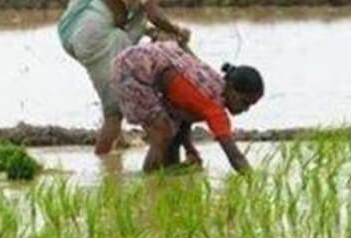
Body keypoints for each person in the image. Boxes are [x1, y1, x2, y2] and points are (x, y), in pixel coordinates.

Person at [57, 0, 192, 155]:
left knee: (116, 89)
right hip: (97, 34)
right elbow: (153, 12)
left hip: (87, 28)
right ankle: (103, 163)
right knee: (115, 109)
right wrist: (177, 31)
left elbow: (120, 11)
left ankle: (116, 146)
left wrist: (153, 31)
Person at [111, 41, 264, 173]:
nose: (245, 109)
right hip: (133, 69)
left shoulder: (214, 84)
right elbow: (234, 156)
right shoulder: (214, 107)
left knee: (171, 132)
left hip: (140, 59)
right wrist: (253, 182)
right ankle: (151, 181)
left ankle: (166, 176)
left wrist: (189, 147)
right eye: (244, 102)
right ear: (231, 88)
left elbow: (184, 116)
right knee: (162, 133)